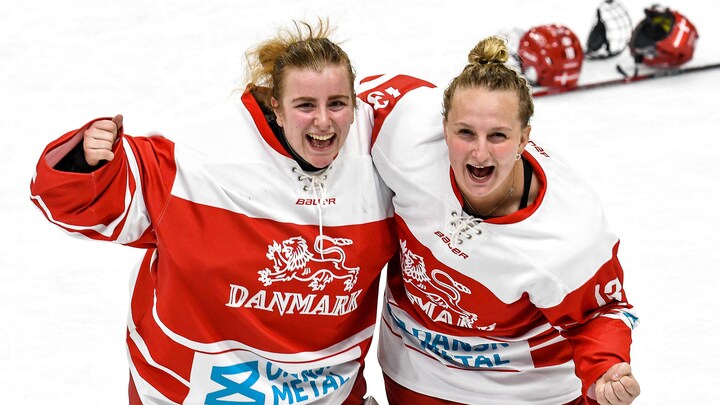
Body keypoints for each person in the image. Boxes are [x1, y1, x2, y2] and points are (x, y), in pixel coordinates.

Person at [29, 20, 396, 404]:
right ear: (277, 107)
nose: (323, 121)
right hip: (186, 394)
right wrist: (88, 162)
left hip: (327, 396)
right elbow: (70, 204)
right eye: (305, 105)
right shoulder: (205, 161)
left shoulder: (378, 162)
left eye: (337, 103)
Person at [358, 36, 640, 404]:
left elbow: (600, 313)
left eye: (498, 136)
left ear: (524, 138)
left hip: (527, 392)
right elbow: (328, 101)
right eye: (465, 132)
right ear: (443, 127)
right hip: (415, 375)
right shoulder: (405, 129)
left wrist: (606, 368)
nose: (479, 153)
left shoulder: (569, 232)